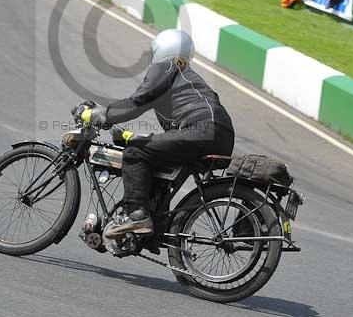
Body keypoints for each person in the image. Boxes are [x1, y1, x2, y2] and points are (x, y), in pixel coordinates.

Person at [75, 29, 235, 238]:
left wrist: (102, 115)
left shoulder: (167, 67)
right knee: (156, 160)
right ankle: (155, 226)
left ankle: (137, 216)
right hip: (221, 135)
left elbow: (137, 102)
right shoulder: (187, 78)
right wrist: (132, 136)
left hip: (200, 129)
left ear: (162, 49)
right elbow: (171, 135)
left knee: (134, 153)